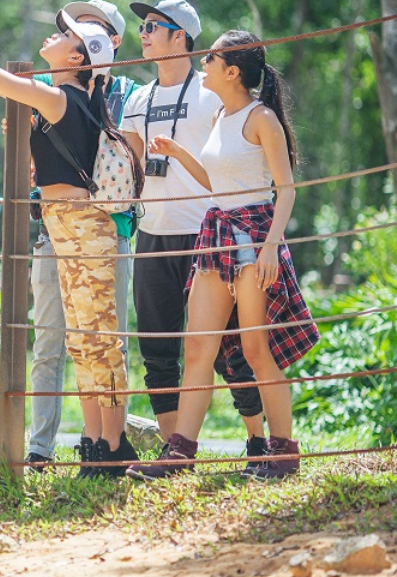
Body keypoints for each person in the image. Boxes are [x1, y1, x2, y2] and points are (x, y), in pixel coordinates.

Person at [0, 0, 138, 477]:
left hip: (82, 227)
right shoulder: (61, 97)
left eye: (65, 34)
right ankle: (96, 444)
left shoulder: (61, 99)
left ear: (76, 59)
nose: (55, 33)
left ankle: (112, 446)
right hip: (68, 225)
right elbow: (0, 84)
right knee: (84, 340)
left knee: (98, 338)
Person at [128, 30, 319, 480]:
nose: (203, 62)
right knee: (197, 346)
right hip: (217, 232)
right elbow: (215, 183)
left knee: (255, 348)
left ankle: (283, 452)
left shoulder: (261, 118)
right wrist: (177, 153)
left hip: (254, 236)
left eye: (210, 57)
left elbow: (285, 188)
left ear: (232, 71)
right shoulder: (218, 115)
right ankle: (180, 453)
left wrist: (272, 244)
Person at [118, 0, 267, 462]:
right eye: (141, 26)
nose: (142, 33)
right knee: (158, 349)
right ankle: (174, 451)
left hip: (208, 234)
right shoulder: (137, 99)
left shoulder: (212, 92)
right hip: (153, 234)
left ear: (179, 35)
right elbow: (129, 167)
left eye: (151, 26)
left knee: (232, 350)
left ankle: (259, 441)